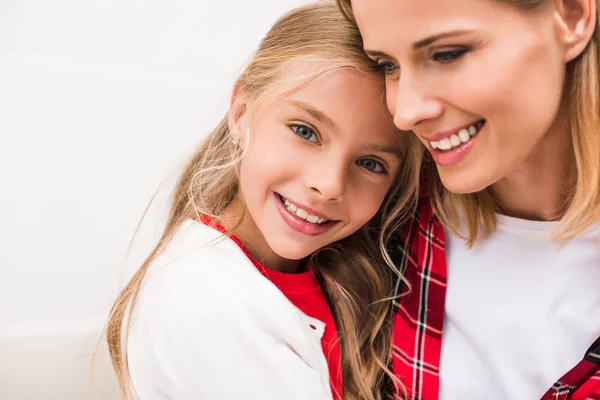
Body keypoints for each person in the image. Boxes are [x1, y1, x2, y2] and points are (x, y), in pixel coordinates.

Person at [104, 3, 423, 400]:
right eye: (305, 131)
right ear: (241, 113)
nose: (328, 185)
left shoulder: (320, 275)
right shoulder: (212, 301)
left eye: (371, 163)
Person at [336, 0, 600, 399]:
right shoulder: (374, 217)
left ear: (572, 16)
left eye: (446, 54)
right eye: (388, 65)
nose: (405, 112)